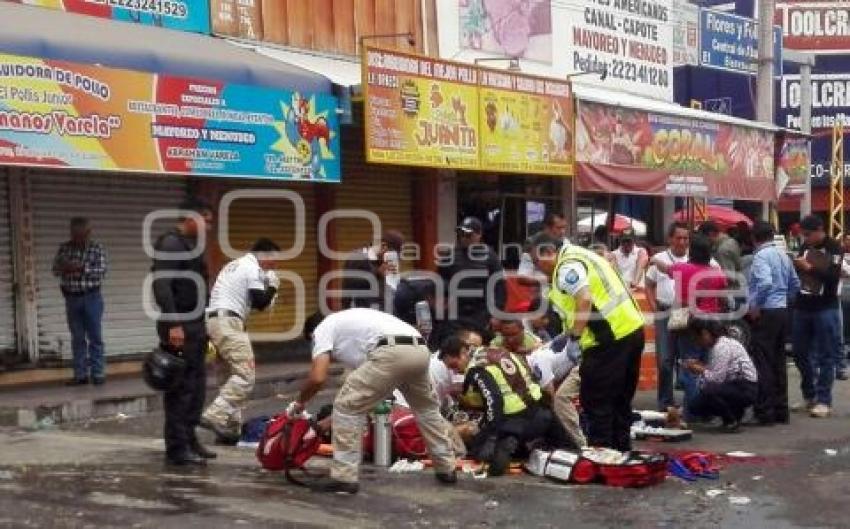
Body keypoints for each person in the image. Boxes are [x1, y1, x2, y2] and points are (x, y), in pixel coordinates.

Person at [291, 309, 457, 494]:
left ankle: (344, 477)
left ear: (312, 335)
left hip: (391, 350)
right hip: (419, 348)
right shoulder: (352, 325)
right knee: (427, 410)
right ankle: (446, 467)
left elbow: (317, 378)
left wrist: (298, 404)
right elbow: (375, 389)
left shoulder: (322, 329)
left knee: (346, 405)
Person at [534, 239, 645, 451]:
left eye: (537, 261)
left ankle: (602, 456)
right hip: (630, 329)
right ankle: (621, 453)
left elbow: (584, 299)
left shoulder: (567, 266)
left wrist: (575, 338)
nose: (538, 268)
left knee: (597, 401)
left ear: (549, 252)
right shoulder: (583, 254)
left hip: (608, 338)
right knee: (620, 401)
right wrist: (567, 335)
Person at [151, 197, 214, 466]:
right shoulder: (170, 244)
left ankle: (190, 438)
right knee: (180, 388)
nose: (209, 228)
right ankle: (177, 448)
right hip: (179, 325)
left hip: (196, 323)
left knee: (197, 386)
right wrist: (174, 323)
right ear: (192, 219)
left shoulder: (191, 245)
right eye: (206, 222)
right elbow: (162, 286)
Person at [200, 238, 281, 444]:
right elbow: (260, 302)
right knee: (246, 376)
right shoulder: (251, 267)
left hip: (215, 322)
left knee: (228, 377)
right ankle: (214, 415)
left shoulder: (233, 265)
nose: (275, 265)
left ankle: (230, 430)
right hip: (229, 323)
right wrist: (272, 286)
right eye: (274, 260)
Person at [462, 347, 560, 476]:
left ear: (463, 355)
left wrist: (490, 433)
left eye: (453, 364)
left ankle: (505, 444)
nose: (455, 369)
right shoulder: (507, 353)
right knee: (564, 446)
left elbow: (494, 401)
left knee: (480, 452)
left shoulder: (478, 369)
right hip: (540, 410)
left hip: (512, 419)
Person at [746, 221, 800, 425]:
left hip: (767, 311)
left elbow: (765, 282)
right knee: (779, 361)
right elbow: (795, 283)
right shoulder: (783, 256)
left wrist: (756, 305)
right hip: (781, 310)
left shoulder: (760, 256)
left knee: (763, 361)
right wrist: (786, 301)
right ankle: (781, 409)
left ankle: (765, 411)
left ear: (754, 238)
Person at [792, 215, 843, 418]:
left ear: (820, 230)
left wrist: (810, 268)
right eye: (803, 235)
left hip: (825, 306)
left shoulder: (835, 248)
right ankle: (809, 395)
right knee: (799, 353)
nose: (806, 238)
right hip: (803, 304)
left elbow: (833, 277)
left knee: (826, 354)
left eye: (809, 234)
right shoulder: (804, 247)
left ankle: (824, 400)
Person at [52, 217, 108, 386]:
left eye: (81, 235)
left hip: (92, 297)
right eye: (75, 235)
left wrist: (81, 268)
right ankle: (80, 375)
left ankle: (98, 374)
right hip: (72, 298)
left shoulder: (96, 249)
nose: (78, 238)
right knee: (77, 338)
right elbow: (55, 270)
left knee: (95, 337)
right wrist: (65, 268)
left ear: (88, 233)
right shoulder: (64, 249)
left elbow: (102, 270)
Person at [645, 222, 691, 411]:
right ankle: (665, 402)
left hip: (686, 313)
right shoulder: (658, 259)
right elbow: (648, 284)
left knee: (688, 359)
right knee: (665, 360)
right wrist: (654, 306)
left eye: (685, 238)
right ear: (670, 239)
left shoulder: (694, 259)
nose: (682, 242)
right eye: (678, 238)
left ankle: (691, 404)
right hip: (664, 312)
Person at [683, 318, 758, 433]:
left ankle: (731, 420)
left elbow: (717, 379)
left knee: (708, 392)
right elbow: (717, 372)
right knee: (695, 404)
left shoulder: (721, 347)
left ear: (705, 334)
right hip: (737, 385)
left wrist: (700, 369)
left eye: (697, 338)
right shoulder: (718, 345)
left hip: (744, 387)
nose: (697, 342)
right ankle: (733, 415)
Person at [437, 217, 505, 331]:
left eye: (468, 234)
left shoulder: (490, 256)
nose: (464, 238)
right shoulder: (450, 256)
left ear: (479, 235)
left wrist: (496, 315)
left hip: (481, 313)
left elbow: (500, 288)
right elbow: (440, 282)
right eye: (461, 234)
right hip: (455, 313)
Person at [527, 337, 587, 448]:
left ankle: (579, 445)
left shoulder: (537, 363)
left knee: (559, 402)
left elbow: (550, 396)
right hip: (578, 363)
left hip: (583, 362)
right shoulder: (537, 357)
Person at [340, 231, 404, 310]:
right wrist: (377, 273)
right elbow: (350, 283)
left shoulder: (380, 262)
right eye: (390, 255)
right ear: (383, 246)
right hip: (359, 313)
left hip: (379, 313)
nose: (390, 259)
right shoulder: (358, 257)